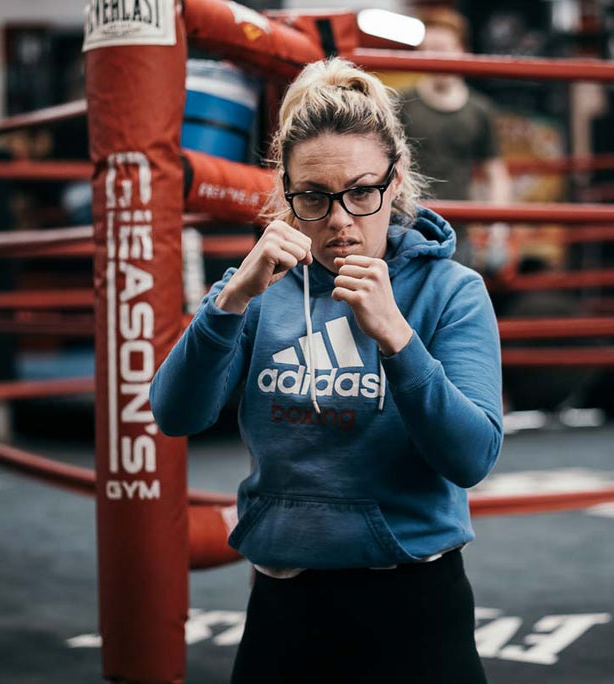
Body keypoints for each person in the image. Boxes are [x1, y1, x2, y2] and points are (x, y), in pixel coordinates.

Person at [150, 57, 502, 683]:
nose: (339, 219)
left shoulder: (451, 291)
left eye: (361, 192)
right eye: (313, 197)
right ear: (285, 192)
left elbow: (472, 458)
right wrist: (230, 301)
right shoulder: (261, 287)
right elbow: (176, 414)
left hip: (413, 599)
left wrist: (397, 337)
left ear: (395, 182)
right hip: (285, 600)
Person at [400, 7, 513, 276]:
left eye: (442, 48)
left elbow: (496, 173)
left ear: (460, 50)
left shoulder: (479, 110)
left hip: (457, 231)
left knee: (452, 305)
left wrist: (499, 230)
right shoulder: (402, 103)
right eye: (429, 49)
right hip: (407, 225)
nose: (435, 56)